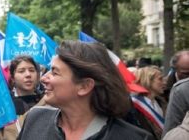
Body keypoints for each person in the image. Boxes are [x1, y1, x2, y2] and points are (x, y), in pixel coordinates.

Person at [17, 41, 153, 140]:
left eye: (55, 72)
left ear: (84, 86)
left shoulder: (133, 138)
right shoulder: (35, 120)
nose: (43, 79)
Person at [130, 66, 167, 139]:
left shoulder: (162, 102)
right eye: (160, 79)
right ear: (148, 81)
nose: (164, 82)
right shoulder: (133, 106)